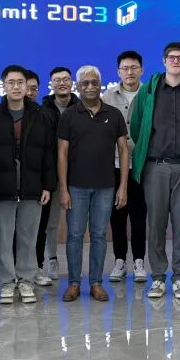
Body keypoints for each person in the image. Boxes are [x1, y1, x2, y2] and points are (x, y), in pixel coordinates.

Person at [130, 42, 180, 299]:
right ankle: (157, 277)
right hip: (155, 167)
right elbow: (136, 126)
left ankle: (179, 278)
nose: (176, 61)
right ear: (164, 60)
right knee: (156, 224)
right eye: (171, 57)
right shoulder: (149, 90)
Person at [0, 65, 55, 305]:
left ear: (27, 86)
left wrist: (47, 186)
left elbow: (49, 154)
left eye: (20, 82)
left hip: (33, 188)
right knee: (3, 240)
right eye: (11, 82)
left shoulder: (42, 116)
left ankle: (26, 280)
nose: (16, 87)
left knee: (29, 238)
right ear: (3, 86)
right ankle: (7, 283)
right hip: (1, 190)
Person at [58, 65, 129, 302]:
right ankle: (74, 283)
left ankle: (96, 283)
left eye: (94, 83)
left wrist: (123, 186)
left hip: (106, 186)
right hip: (75, 187)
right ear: (78, 86)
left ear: (100, 85)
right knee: (75, 236)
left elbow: (123, 150)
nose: (90, 87)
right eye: (85, 83)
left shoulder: (114, 114)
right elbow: (62, 153)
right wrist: (63, 189)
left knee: (99, 235)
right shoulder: (69, 115)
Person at [103, 51, 148, 283]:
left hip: (142, 166)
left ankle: (139, 261)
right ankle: (119, 261)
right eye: (125, 68)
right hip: (115, 164)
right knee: (117, 216)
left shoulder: (151, 95)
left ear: (142, 70)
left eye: (134, 68)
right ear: (118, 71)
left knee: (139, 215)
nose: (129, 72)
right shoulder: (108, 97)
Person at [35, 66, 80, 286]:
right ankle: (50, 259)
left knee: (77, 223)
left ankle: (77, 266)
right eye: (57, 80)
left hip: (79, 173)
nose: (62, 83)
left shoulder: (82, 107)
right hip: (51, 174)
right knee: (50, 222)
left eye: (66, 79)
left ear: (72, 83)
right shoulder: (42, 110)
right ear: (51, 84)